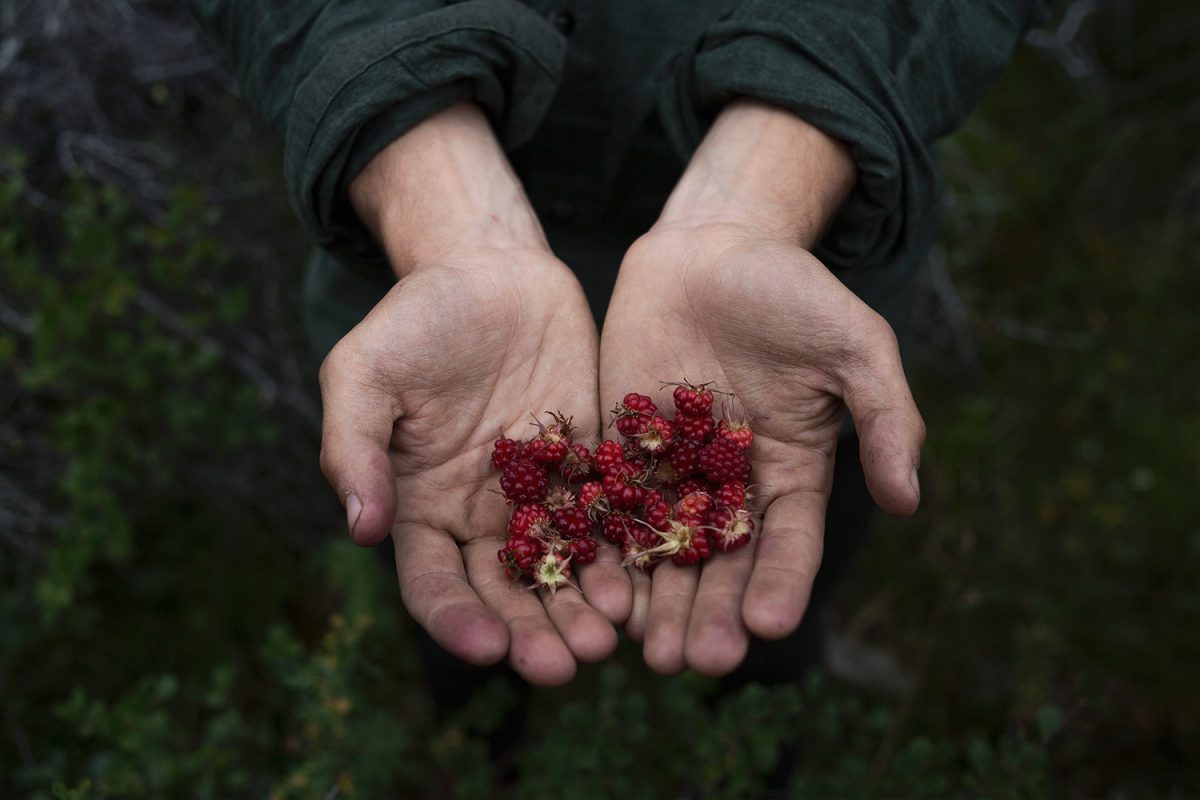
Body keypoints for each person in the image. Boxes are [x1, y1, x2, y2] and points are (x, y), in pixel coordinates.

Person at [189, 0, 1051, 687]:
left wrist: (771, 174)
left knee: (770, 612)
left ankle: (756, 724)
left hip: (790, 324)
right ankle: (492, 742)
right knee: (468, 621)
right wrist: (438, 196)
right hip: (427, 315)